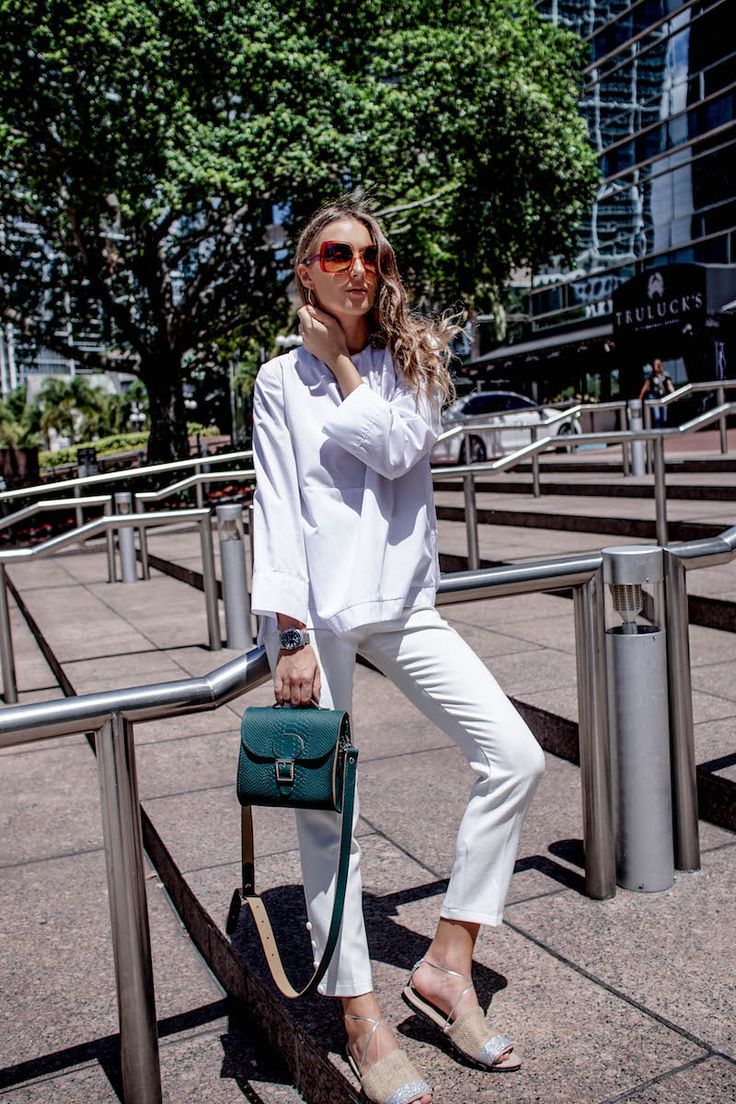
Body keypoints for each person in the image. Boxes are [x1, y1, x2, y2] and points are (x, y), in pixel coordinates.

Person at [249, 197, 545, 1104]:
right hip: (316, 617)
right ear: (305, 270)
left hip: (404, 603)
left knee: (515, 756)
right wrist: (289, 634)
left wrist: (342, 362)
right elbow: (277, 509)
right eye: (336, 254)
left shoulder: (409, 362)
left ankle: (447, 963)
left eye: (370, 256)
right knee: (329, 814)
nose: (357, 269)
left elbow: (393, 450)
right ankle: (360, 1014)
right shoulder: (276, 381)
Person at [639, 358, 675, 427]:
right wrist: (640, 398)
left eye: (657, 364)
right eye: (654, 364)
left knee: (664, 418)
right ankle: (658, 430)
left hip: (663, 397)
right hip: (654, 398)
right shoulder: (651, 375)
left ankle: (664, 430)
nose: (655, 366)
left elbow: (669, 385)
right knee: (657, 417)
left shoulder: (665, 374)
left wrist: (674, 394)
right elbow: (645, 387)